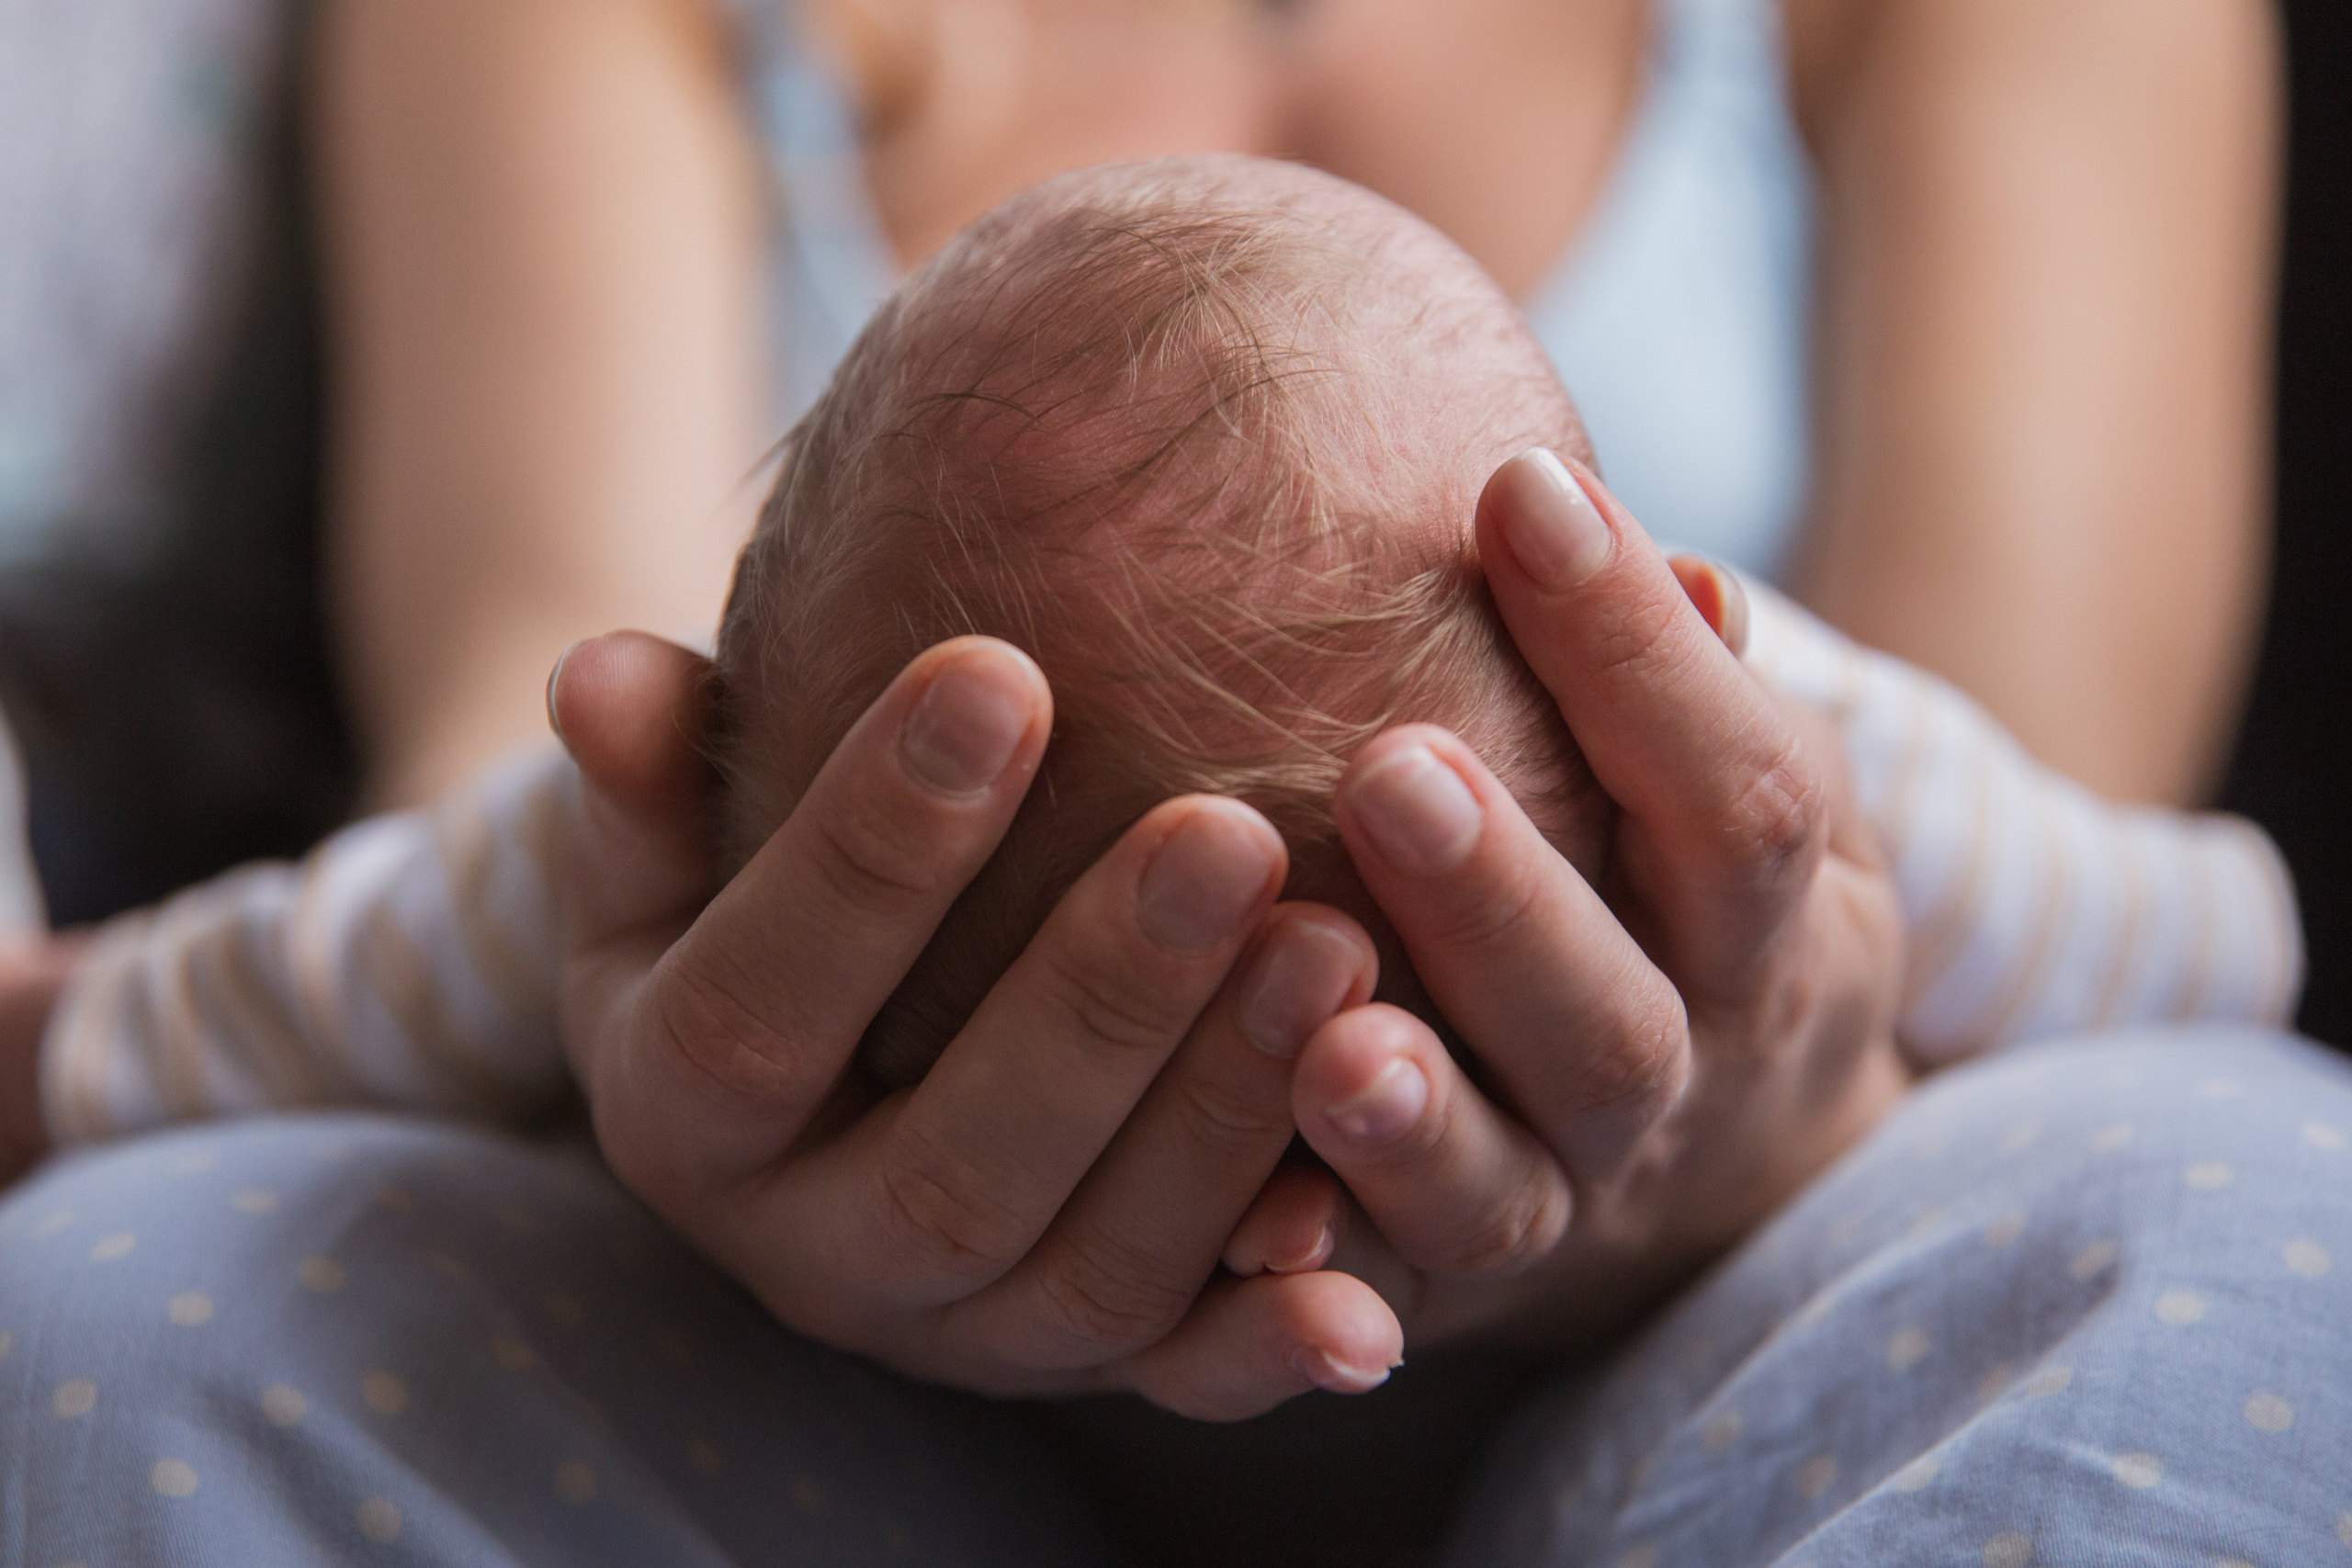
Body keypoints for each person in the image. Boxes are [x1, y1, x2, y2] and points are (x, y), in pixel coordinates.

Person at [7, 160, 2336, 1566]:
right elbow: (2111, 897)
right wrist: (2231, 912)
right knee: (120, 1314)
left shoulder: (1765, 739)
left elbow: (339, 968)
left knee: (2270, 1240)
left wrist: (84, 1036)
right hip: (766, 1369)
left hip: (1766, 1286)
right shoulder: (672, 840)